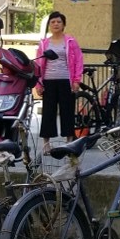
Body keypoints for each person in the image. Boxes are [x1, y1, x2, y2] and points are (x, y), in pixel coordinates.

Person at [36, 11, 84, 157]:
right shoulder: (44, 43)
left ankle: (69, 143)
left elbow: (78, 60)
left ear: (63, 25)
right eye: (53, 22)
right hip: (48, 81)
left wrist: (76, 80)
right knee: (48, 113)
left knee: (67, 112)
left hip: (66, 82)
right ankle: (46, 145)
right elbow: (38, 64)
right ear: (49, 25)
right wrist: (38, 83)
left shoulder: (70, 41)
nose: (56, 24)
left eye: (59, 22)